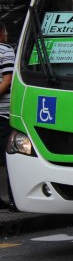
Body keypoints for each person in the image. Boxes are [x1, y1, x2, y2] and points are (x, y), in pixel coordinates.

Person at [0, 21, 15, 210]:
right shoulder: (6, 50)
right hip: (4, 114)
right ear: (2, 34)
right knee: (11, 157)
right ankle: (14, 198)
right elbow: (7, 81)